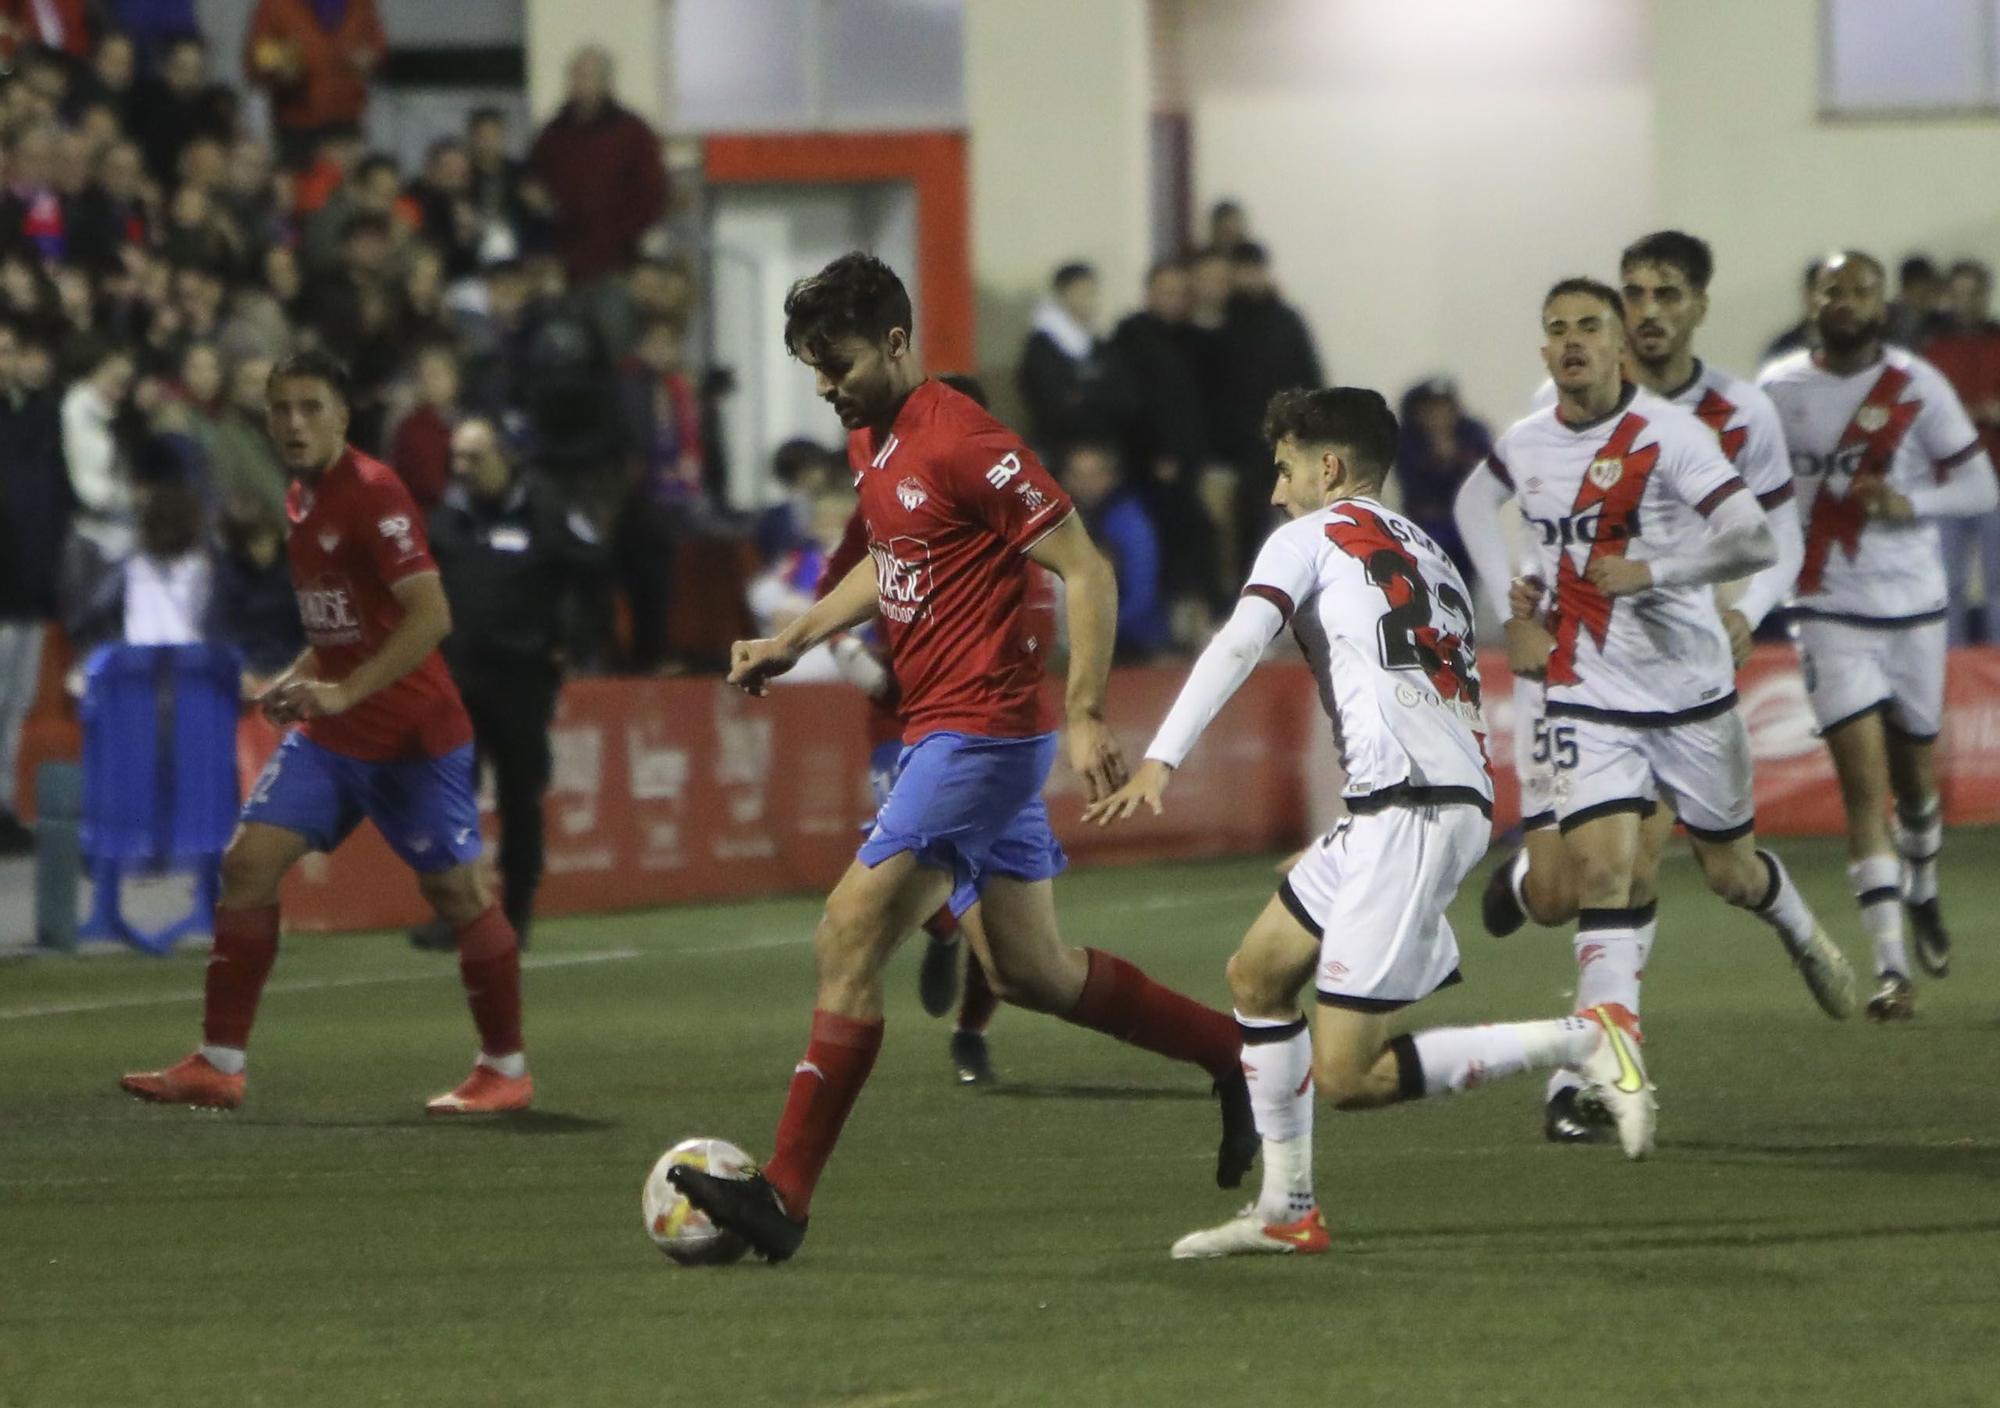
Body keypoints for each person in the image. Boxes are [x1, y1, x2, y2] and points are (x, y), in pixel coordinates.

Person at [665, 254, 1255, 1262]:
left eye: (835, 360)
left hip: (979, 732)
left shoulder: (962, 438)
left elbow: (1085, 565)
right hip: (959, 731)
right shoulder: (873, 435)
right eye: (811, 364)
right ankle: (1237, 1057)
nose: (823, 383)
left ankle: (785, 1196)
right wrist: (794, 639)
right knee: (1029, 970)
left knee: (847, 931)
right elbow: (886, 562)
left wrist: (1083, 710)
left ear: (896, 342)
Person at [1085, 387, 1656, 1261]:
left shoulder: (1306, 537)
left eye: (1283, 470)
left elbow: (1242, 639)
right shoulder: (1427, 549)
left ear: (1329, 467)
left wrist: (1162, 756)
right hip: (1420, 796)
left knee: (1349, 1072)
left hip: (1411, 808)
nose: (1276, 492)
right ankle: (1286, 1209)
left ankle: (1586, 1036)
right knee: (1258, 975)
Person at [1456, 231, 1814, 1139]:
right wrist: (1514, 611)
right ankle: (1597, 1063)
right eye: (1560, 327)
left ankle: (1593, 1073)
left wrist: (1692, 590)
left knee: (1684, 870)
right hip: (1576, 682)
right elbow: (1477, 503)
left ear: (1630, 337)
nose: (1578, 338)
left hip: (1685, 687)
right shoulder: (1536, 428)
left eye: (1595, 323)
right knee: (1584, 880)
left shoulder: (1699, 426)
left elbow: (1763, 537)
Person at [119, 351, 529, 1115]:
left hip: (412, 735)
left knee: (459, 891)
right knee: (246, 865)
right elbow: (342, 625)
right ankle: (220, 1063)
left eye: (311, 407)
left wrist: (343, 690)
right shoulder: (301, 496)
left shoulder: (375, 494)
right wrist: (295, 681)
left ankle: (504, 1068)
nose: (294, 423)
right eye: (281, 409)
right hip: (338, 734)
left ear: (343, 415)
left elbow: (430, 616)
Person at [1759, 251, 1998, 1019]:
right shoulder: (1777, 388)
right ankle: (1891, 969)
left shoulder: (1915, 384)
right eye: (1833, 288)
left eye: (1861, 290)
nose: (1847, 301)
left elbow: (1980, 484)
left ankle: (1924, 888)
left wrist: (1910, 502)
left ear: (1882, 303)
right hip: (1826, 608)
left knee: (1917, 784)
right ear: (1812, 298)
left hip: (1914, 611)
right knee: (1863, 788)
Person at [410, 417, 603, 952]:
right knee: (451, 800)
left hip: (521, 680)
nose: (462, 469)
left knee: (520, 800)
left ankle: (514, 916)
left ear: (505, 457)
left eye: (474, 457)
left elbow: (594, 567)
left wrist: (575, 640)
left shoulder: (546, 511)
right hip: (456, 678)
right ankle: (454, 913)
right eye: (457, 458)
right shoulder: (446, 518)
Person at [0, 319, 69, 853]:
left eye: (8, 351)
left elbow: (51, 499)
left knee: (17, 702)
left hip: (29, 582)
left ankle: (3, 805)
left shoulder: (39, 415)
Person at [527, 47, 667, 287]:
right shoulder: (553, 134)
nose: (579, 84)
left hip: (617, 266)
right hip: (563, 265)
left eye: (587, 77)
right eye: (575, 76)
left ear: (605, 82)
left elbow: (653, 193)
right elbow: (533, 181)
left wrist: (621, 237)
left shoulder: (632, 132)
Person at [1921, 259, 2000, 645]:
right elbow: (1925, 415)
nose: (1968, 302)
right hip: (1948, 484)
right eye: (1960, 294)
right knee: (1947, 584)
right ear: (1949, 297)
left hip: (1996, 482)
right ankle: (1952, 671)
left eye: (1975, 294)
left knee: (1997, 584)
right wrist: (1980, 412)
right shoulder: (1933, 353)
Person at [244, 0, 387, 170]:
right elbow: (256, 59)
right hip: (297, 124)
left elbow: (378, 46)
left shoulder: (360, 4)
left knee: (347, 187)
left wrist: (369, 58)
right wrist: (281, 65)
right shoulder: (275, 4)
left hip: (346, 121)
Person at [1061, 440, 1167, 660]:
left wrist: (1098, 635)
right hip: (1073, 642)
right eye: (1078, 475)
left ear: (1112, 477)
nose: (1086, 484)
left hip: (1132, 645)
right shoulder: (1060, 522)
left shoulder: (1130, 522)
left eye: (1094, 475)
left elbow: (1142, 595)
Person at [1017, 260, 1128, 464]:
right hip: (1060, 446)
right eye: (1081, 292)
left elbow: (1121, 393)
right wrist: (1092, 395)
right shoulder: (1042, 345)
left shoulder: (1097, 344)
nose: (1089, 301)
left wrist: (1086, 395)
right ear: (1063, 294)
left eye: (1092, 293)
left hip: (1102, 443)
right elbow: (1053, 399)